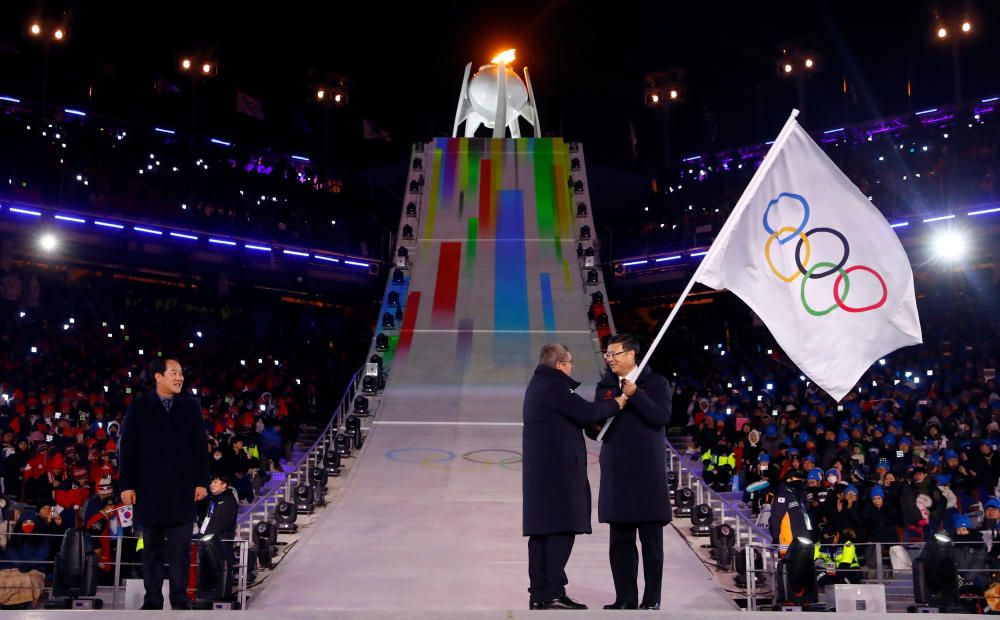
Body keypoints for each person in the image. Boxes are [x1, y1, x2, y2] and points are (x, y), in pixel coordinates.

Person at [522, 344, 626, 611]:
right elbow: (587, 412)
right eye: (570, 362)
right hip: (559, 474)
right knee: (561, 528)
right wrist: (619, 402)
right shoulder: (555, 387)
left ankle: (540, 594)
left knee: (542, 533)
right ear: (559, 365)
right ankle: (554, 592)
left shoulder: (538, 385)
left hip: (541, 474)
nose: (572, 366)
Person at [119, 357, 209, 610]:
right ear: (158, 376)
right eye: (173, 373)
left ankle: (180, 599)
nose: (179, 377)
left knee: (181, 550)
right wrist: (127, 485)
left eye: (181, 373)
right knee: (152, 551)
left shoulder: (191, 406)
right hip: (150, 491)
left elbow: (200, 448)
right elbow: (128, 448)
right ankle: (153, 599)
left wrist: (202, 481)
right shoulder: (139, 406)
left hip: (182, 490)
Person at [594, 334, 672, 611]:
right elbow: (597, 423)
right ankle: (625, 598)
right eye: (607, 355)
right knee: (621, 541)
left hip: (647, 475)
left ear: (631, 354)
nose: (610, 359)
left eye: (614, 354)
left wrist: (634, 394)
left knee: (652, 543)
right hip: (617, 472)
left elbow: (660, 417)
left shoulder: (656, 383)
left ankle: (652, 599)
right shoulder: (605, 385)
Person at [200, 474, 239, 557]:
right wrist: (202, 534)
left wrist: (209, 535)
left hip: (220, 543)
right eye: (211, 482)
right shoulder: (212, 500)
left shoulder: (229, 501)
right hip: (207, 542)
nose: (212, 485)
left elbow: (225, 524)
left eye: (215, 482)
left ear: (224, 485)